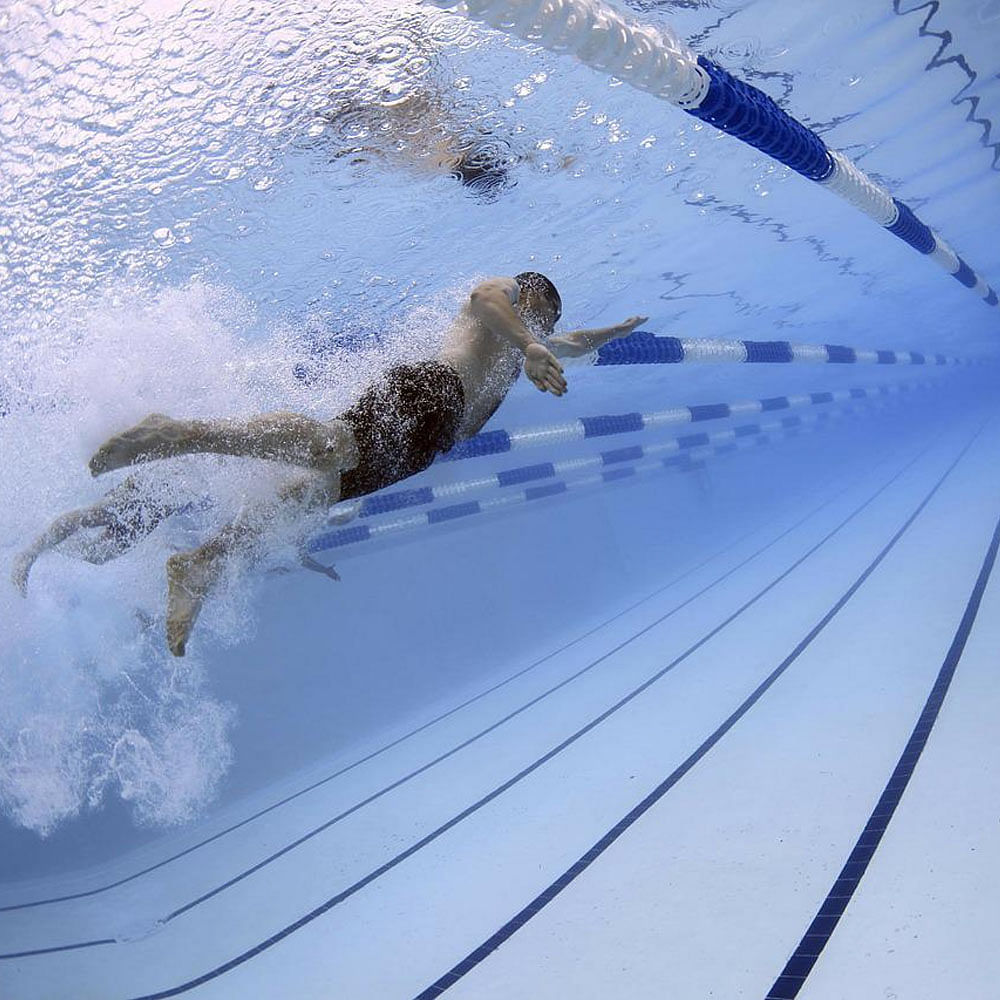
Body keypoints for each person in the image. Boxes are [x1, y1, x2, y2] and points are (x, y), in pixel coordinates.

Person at [85, 273, 647, 657]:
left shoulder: (533, 339)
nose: (543, 325)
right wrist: (528, 342)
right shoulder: (508, 301)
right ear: (529, 295)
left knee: (309, 496)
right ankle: (180, 434)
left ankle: (202, 561)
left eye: (546, 321)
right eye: (541, 312)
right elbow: (482, 299)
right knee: (330, 448)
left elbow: (569, 343)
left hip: (427, 446)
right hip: (433, 389)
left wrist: (611, 333)